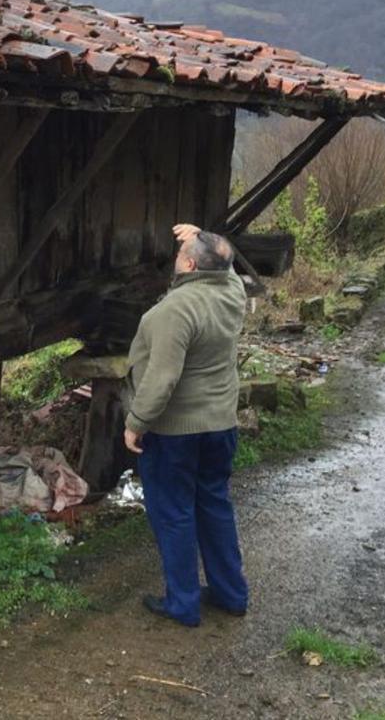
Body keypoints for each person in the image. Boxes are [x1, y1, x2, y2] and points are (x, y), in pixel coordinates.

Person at [123, 223, 249, 627]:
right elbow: (225, 264)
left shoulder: (174, 310)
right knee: (213, 504)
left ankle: (182, 603)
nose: (175, 259)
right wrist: (205, 234)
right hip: (220, 424)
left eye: (181, 254)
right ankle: (231, 594)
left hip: (175, 431)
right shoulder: (232, 291)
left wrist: (136, 422)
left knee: (173, 513)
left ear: (190, 264)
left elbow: (162, 379)